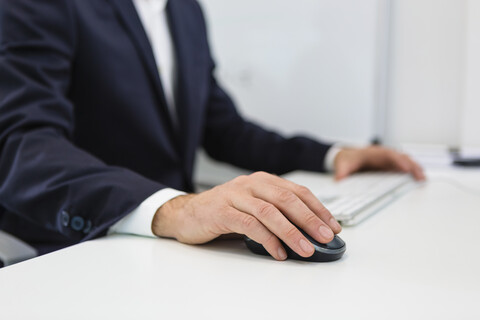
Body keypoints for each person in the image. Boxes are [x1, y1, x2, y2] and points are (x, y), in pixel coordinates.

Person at [0, 0, 424, 260]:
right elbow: (25, 147)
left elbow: (223, 129)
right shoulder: (45, 4)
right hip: (82, 245)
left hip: (177, 252)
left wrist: (333, 155)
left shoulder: (185, 10)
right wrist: (177, 210)